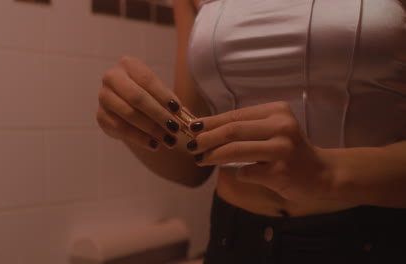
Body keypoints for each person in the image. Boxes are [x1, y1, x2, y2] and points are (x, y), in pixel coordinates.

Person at [96, 0, 406, 263]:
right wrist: (134, 125)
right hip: (234, 242)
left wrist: (327, 172)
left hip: (376, 239)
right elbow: (191, 163)